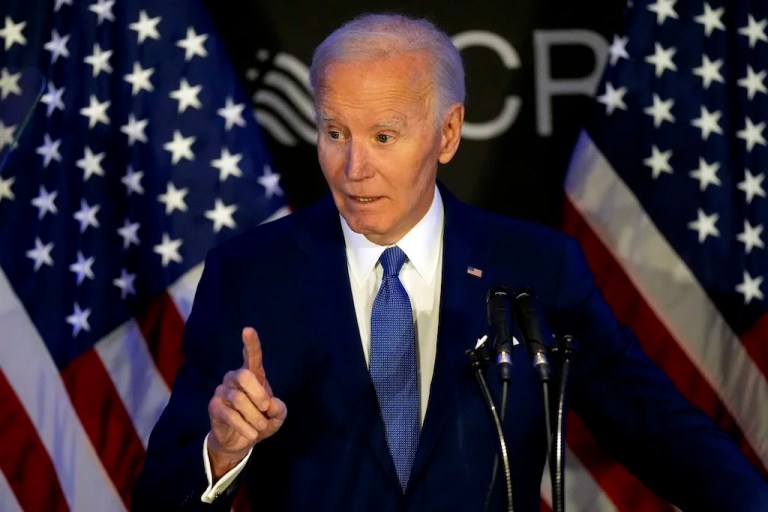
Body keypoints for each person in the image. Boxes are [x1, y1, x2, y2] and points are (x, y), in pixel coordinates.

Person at [132, 13, 768, 511]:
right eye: (334, 133)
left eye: (383, 137)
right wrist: (223, 450)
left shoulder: (535, 269)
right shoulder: (250, 275)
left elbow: (657, 430)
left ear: (448, 132)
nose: (354, 169)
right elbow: (161, 497)